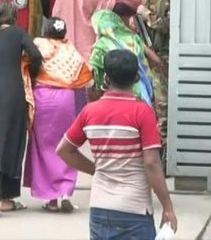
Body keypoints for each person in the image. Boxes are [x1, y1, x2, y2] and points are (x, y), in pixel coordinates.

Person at [56, 49, 178, 240]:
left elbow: (64, 150)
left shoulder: (90, 112)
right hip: (135, 211)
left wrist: (96, 169)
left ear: (106, 77)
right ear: (137, 77)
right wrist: (168, 206)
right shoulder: (142, 112)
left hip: (100, 210)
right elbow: (151, 163)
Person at [22, 17, 93, 213]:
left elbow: (26, 62)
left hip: (44, 97)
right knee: (66, 145)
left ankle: (51, 199)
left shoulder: (39, 44)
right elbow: (83, 78)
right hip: (67, 100)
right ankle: (65, 193)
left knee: (45, 148)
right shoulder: (70, 49)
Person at [0, 1, 42, 218]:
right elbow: (36, 55)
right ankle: (7, 198)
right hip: (15, 92)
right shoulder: (18, 33)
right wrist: (31, 71)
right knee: (13, 139)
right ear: (13, 16)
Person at [139, 0, 172, 162]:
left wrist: (146, 14)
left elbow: (167, 25)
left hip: (164, 56)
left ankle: (164, 155)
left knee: (163, 107)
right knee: (148, 105)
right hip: (149, 54)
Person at [90, 9, 154, 106]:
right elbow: (155, 58)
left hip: (114, 96)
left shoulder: (101, 46)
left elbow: (95, 75)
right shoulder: (132, 37)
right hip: (141, 90)